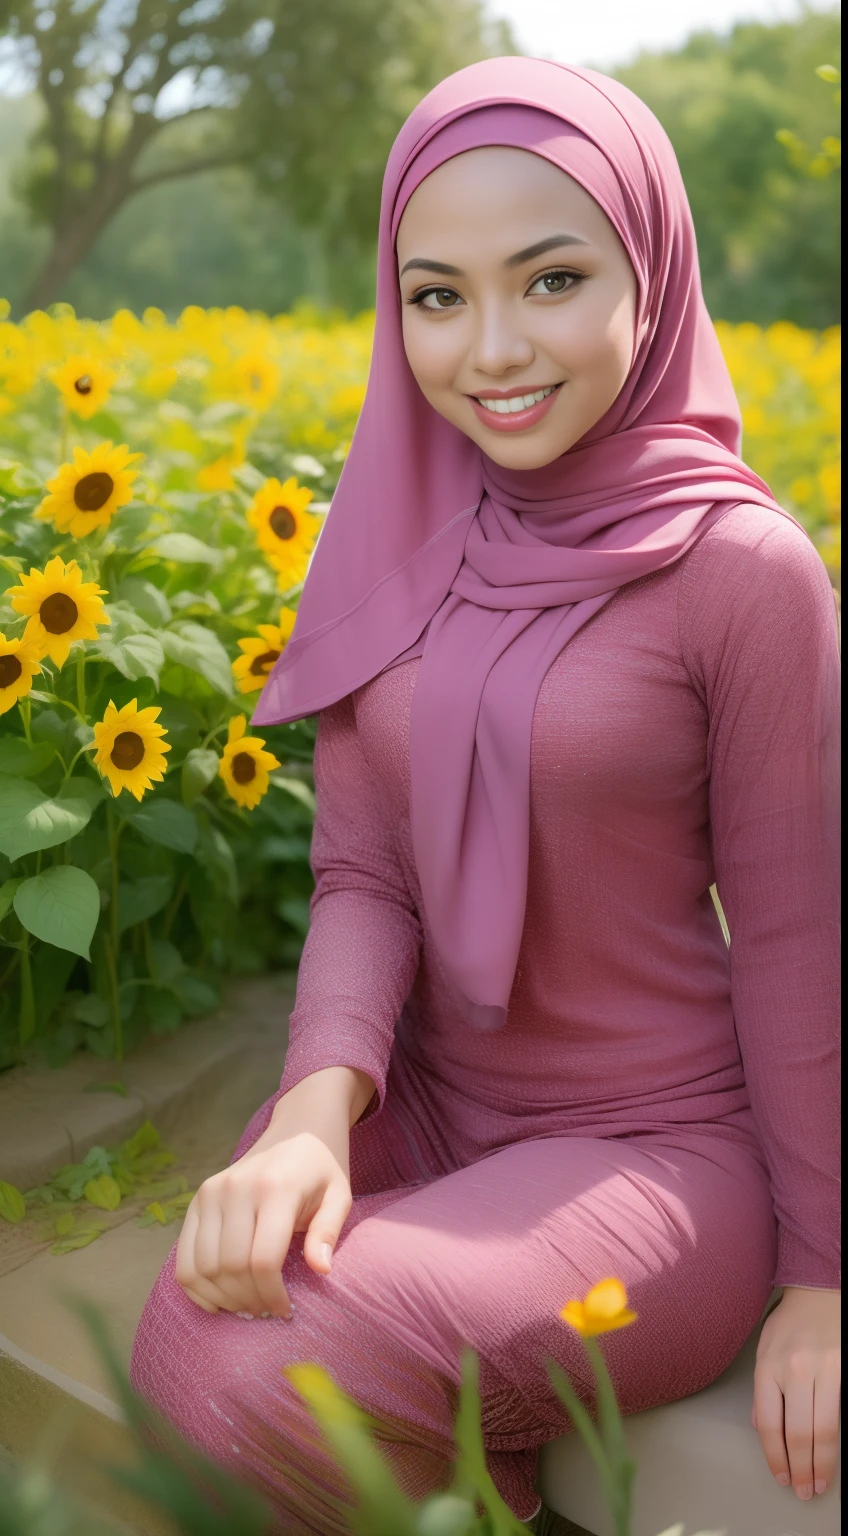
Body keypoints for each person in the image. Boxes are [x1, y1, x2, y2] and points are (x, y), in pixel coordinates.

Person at [130, 56, 840, 1533]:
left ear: (650, 273)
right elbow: (363, 877)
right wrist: (312, 1119)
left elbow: (798, 938)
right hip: (432, 1103)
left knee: (257, 1378)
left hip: (662, 1155)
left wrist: (828, 1284)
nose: (490, 350)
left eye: (553, 279)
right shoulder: (400, 523)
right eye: (437, 294)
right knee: (190, 1323)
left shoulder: (743, 572)